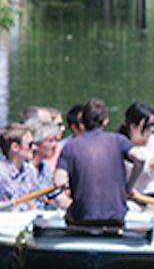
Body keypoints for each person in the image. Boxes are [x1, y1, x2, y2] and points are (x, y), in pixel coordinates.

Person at [55, 98, 138, 229]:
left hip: (82, 219)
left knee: (69, 215)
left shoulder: (70, 146)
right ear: (106, 121)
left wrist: (71, 182)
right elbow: (141, 158)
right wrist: (129, 186)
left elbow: (59, 181)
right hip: (116, 218)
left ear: (82, 122)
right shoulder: (118, 140)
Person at [119, 101, 154, 197]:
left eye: (153, 125)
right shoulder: (126, 148)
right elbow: (145, 170)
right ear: (133, 127)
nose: (152, 129)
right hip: (137, 197)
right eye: (148, 126)